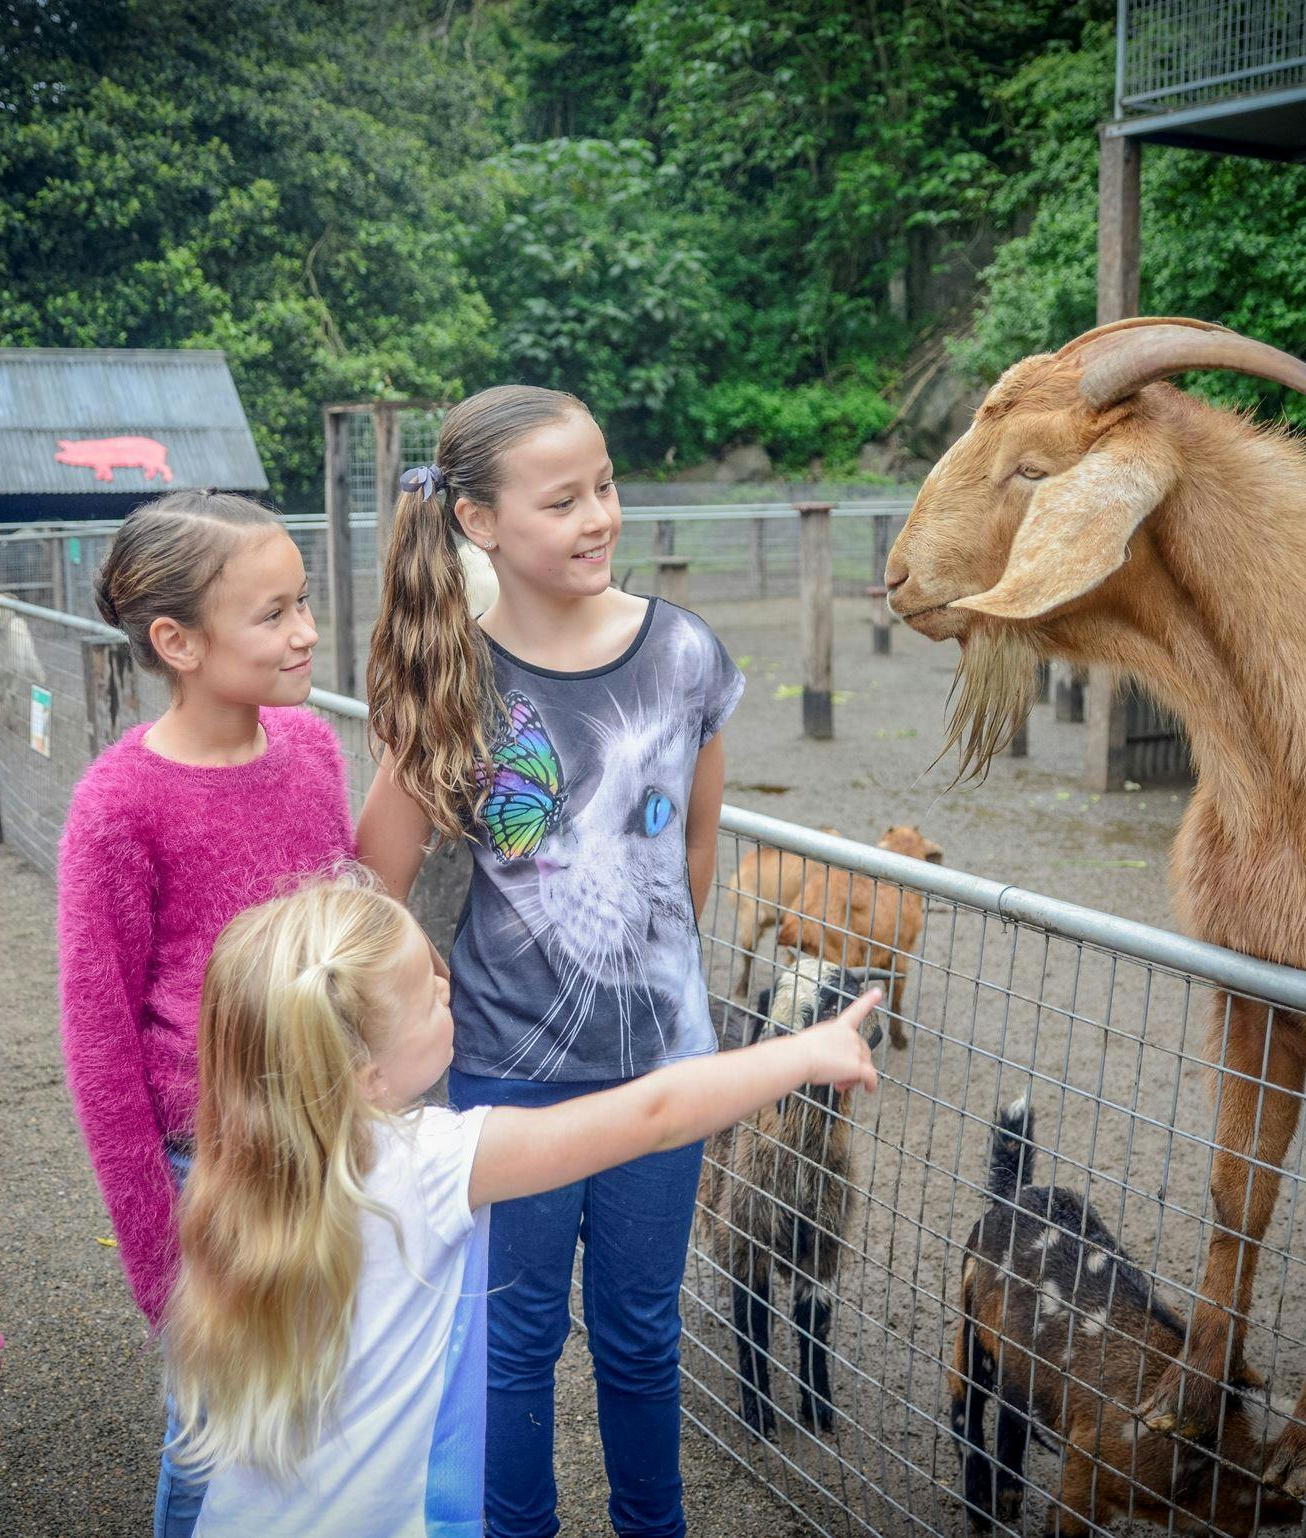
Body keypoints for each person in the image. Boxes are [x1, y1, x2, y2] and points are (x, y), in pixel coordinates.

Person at [165, 875, 880, 1535]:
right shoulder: (433, 1164)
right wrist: (807, 1053)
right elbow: (655, 1114)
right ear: (368, 1071)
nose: (450, 989)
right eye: (428, 997)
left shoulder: (237, 1184)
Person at [357, 386, 744, 1536]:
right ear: (477, 521)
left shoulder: (682, 652)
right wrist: (430, 998)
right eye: (563, 498)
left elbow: (695, 842)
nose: (598, 517)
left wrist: (654, 976)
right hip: (509, 1070)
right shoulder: (455, 680)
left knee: (640, 1333)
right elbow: (372, 886)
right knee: (513, 1338)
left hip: (660, 1065)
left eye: (607, 487)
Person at [56, 490, 354, 1536]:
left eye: (304, 602)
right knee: (218, 1432)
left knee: (325, 1413)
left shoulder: (314, 748)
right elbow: (99, 1045)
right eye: (273, 613)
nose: (307, 631)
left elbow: (343, 925)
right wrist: (155, 1254)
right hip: (213, 1170)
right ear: (175, 640)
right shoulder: (117, 805)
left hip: (330, 1140)